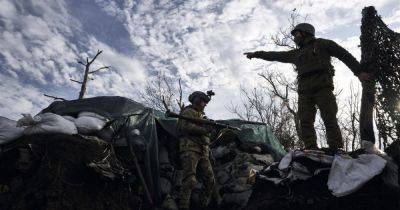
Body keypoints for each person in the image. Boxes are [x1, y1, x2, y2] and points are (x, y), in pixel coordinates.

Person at [244, 23, 372, 151]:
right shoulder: (296, 53)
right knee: (305, 121)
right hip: (304, 92)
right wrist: (256, 54)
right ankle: (311, 148)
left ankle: (336, 148)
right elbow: (275, 55)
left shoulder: (323, 44)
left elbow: (344, 55)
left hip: (323, 88)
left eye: (296, 34)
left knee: (329, 118)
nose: (294, 38)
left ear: (305, 32)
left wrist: (359, 72)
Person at [177, 91, 215, 210]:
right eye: (202, 101)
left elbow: (206, 134)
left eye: (205, 102)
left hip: (204, 151)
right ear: (196, 100)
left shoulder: (202, 116)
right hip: (190, 148)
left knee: (210, 179)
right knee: (190, 181)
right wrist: (204, 130)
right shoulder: (188, 112)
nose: (204, 104)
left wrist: (210, 129)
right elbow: (184, 127)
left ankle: (202, 205)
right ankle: (184, 206)